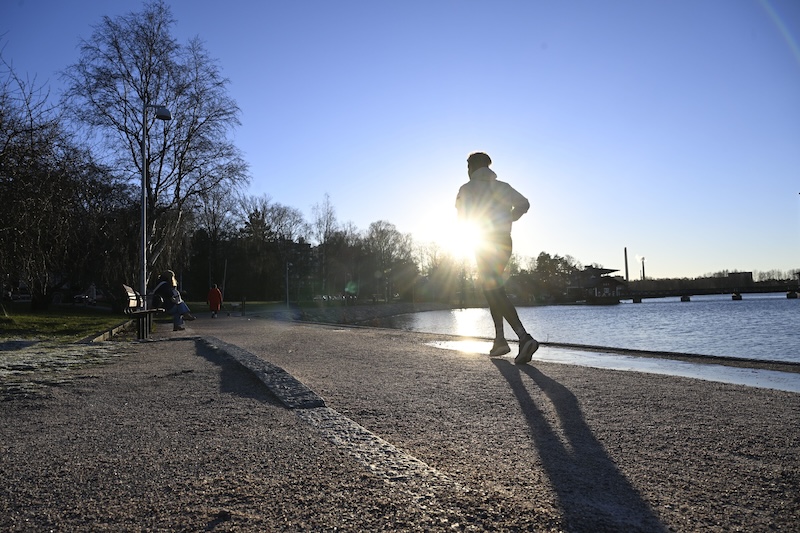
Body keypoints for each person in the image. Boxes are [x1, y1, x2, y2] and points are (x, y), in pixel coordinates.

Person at [455, 152, 540, 364]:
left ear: (472, 167)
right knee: (493, 288)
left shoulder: (466, 189)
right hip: (504, 241)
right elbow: (524, 203)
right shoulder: (503, 187)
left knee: (493, 289)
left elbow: (462, 219)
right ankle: (500, 340)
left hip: (484, 241)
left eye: (468, 167)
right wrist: (510, 217)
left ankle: (523, 337)